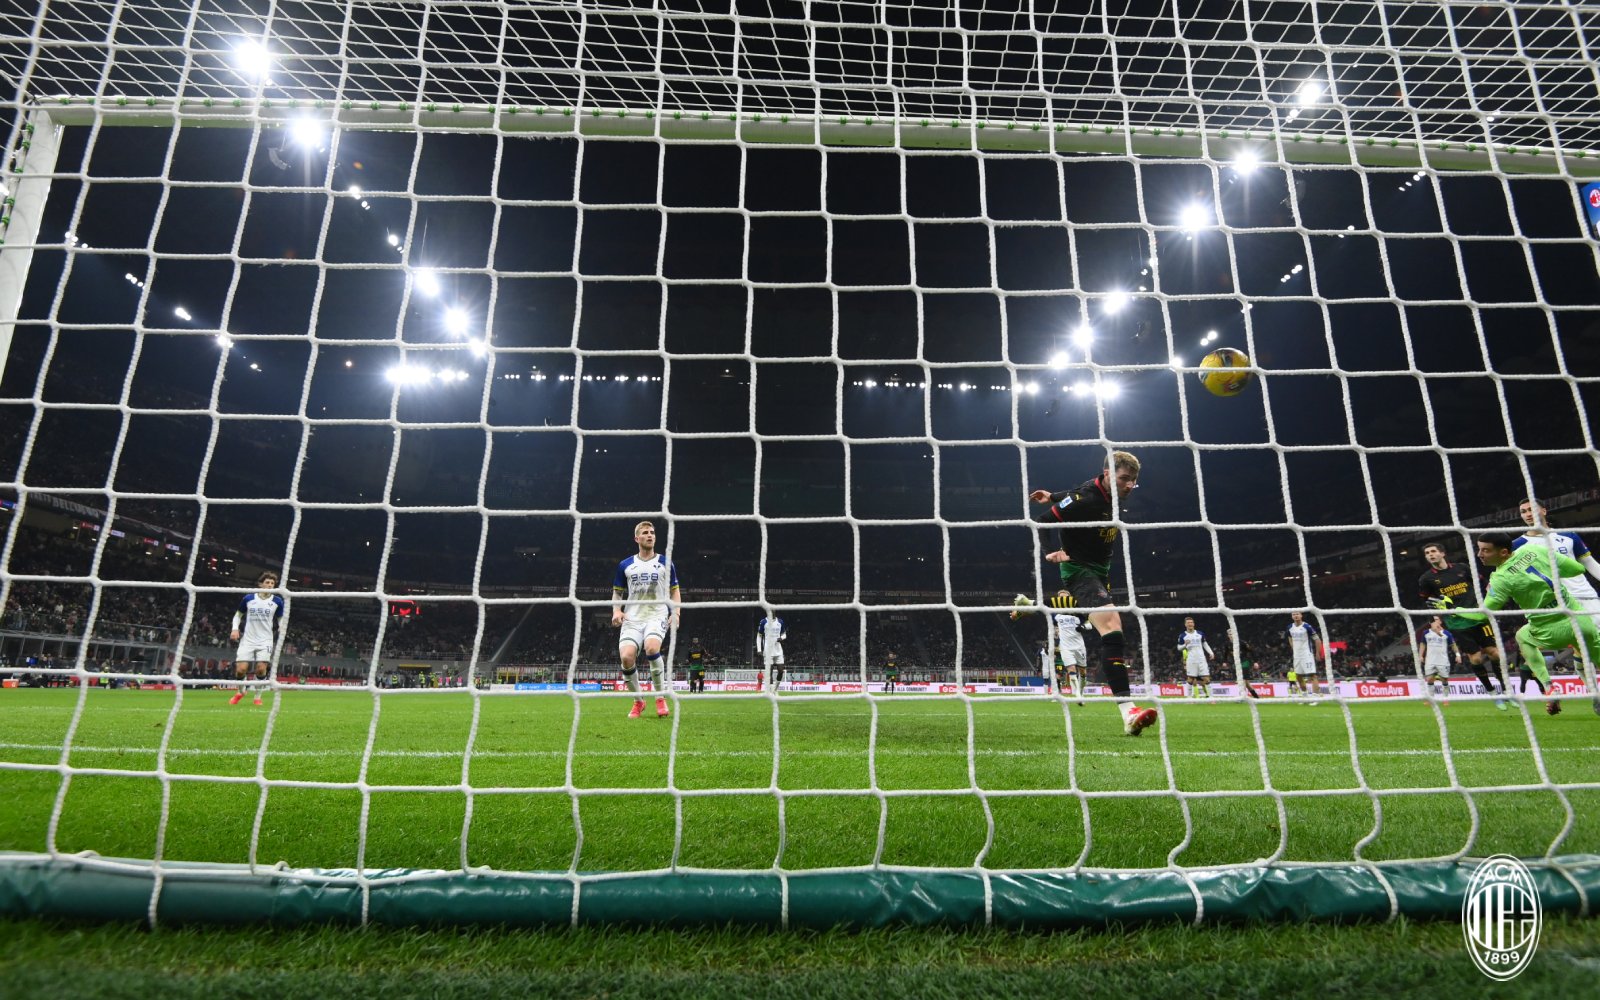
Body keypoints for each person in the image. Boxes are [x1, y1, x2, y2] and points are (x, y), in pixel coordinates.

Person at [1028, 450, 1157, 736]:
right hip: (1079, 571)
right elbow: (1042, 521)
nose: (1129, 486)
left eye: (1133, 481)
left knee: (1114, 634)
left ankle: (1128, 713)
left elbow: (1073, 492)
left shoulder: (1100, 490)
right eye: (1124, 479)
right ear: (1108, 474)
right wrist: (1051, 553)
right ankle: (1128, 711)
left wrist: (1052, 495)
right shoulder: (1086, 500)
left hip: (1100, 571)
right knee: (1113, 627)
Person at [1476, 531, 1600, 717]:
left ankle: (1552, 687)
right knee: (1585, 651)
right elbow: (1578, 569)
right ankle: (1595, 696)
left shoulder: (1500, 576)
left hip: (1560, 619)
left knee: (1524, 636)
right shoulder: (1532, 548)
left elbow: (1483, 612)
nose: (1480, 554)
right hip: (1577, 613)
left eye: (1485, 550)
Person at [1418, 541, 1508, 703]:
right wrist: (1433, 620)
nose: (1430, 555)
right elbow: (1427, 601)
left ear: (1442, 553)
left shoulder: (1462, 568)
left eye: (1433, 551)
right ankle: (1491, 690)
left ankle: (1505, 688)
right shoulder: (1426, 579)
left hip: (1478, 616)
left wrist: (1491, 594)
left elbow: (1482, 582)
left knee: (1495, 653)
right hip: (1456, 622)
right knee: (1476, 659)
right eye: (1427, 553)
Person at [611, 520, 680, 719]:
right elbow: (617, 593)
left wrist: (675, 613)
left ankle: (660, 698)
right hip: (632, 617)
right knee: (626, 658)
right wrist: (616, 610)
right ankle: (639, 701)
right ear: (637, 538)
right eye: (645, 533)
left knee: (651, 648)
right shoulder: (625, 565)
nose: (650, 535)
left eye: (652, 532)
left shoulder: (666, 563)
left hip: (656, 614)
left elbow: (675, 592)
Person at [1516, 498, 1600, 631]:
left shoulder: (1569, 536)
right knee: (1582, 643)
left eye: (1531, 509)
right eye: (1523, 511)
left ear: (1544, 511)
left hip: (1584, 596)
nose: (1528, 514)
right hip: (1553, 603)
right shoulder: (1516, 546)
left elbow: (1590, 563)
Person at [1014, 590, 1087, 703]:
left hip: (1076, 647)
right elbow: (1040, 608)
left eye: (1065, 597)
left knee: (1081, 672)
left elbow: (1088, 620)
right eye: (1060, 598)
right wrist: (1022, 611)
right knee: (1057, 675)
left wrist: (1083, 626)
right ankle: (1057, 695)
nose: (1063, 600)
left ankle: (1079, 692)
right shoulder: (1054, 614)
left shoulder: (1078, 611)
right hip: (1059, 650)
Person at [229, 571, 284, 707]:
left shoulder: (277, 601)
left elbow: (281, 618)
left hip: (265, 640)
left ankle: (258, 696)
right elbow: (238, 615)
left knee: (260, 669)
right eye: (267, 582)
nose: (270, 585)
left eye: (272, 583)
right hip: (248, 639)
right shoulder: (248, 598)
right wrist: (235, 629)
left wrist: (282, 627)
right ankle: (241, 692)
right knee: (241, 669)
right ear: (260, 584)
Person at [1418, 616, 1461, 704]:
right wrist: (1420, 655)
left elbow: (1453, 644)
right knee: (1429, 679)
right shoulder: (1425, 633)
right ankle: (1431, 699)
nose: (1434, 622)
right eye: (1432, 620)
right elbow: (1422, 644)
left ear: (1440, 622)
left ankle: (1445, 698)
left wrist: (1458, 655)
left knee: (1444, 679)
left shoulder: (1446, 633)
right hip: (1430, 660)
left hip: (1443, 661)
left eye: (1436, 620)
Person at [1286, 611, 1320, 701]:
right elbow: (1289, 638)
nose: (1295, 616)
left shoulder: (1307, 626)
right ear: (1292, 616)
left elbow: (1317, 640)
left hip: (1307, 654)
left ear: (1301, 615)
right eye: (1293, 614)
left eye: (1297, 614)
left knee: (1313, 676)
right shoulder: (1290, 627)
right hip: (1297, 656)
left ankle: (1315, 698)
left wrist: (1317, 653)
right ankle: (1305, 697)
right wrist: (1294, 648)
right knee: (1298, 676)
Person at [1177, 617, 1213, 698]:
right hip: (1191, 660)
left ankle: (1211, 698)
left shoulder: (1200, 633)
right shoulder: (1183, 635)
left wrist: (1211, 652)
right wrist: (1184, 645)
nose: (1190, 624)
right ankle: (1189, 698)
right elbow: (1179, 648)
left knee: (1206, 678)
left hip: (1201, 659)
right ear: (1185, 624)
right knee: (1190, 679)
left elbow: (1205, 644)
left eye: (1191, 622)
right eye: (1188, 622)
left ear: (1194, 624)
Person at [1225, 629, 1260, 700]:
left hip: (1245, 662)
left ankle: (1242, 697)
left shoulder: (1242, 643)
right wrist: (1224, 661)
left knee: (1242, 679)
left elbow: (1252, 651)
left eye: (1232, 634)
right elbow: (1225, 653)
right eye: (1230, 634)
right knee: (1247, 683)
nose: (1231, 635)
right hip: (1237, 664)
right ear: (1228, 636)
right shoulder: (1227, 644)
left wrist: (1255, 661)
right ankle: (1256, 697)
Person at [756, 611, 787, 690]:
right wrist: (759, 649)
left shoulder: (780, 622)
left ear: (774, 613)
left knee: (781, 670)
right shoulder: (763, 622)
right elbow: (759, 636)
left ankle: (775, 689)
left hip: (778, 650)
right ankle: (771, 691)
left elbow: (784, 634)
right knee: (769, 672)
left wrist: (781, 638)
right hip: (768, 650)